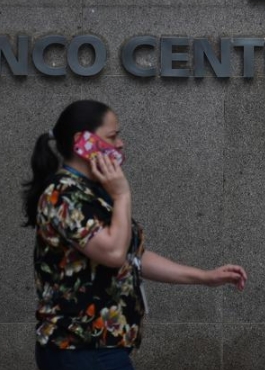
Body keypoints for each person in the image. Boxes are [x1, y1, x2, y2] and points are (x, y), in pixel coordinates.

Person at [23, 100, 247, 370]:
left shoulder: (89, 190)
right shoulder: (64, 194)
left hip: (98, 348)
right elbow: (114, 254)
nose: (120, 143)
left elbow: (132, 255)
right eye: (112, 136)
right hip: (79, 349)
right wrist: (122, 193)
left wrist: (204, 277)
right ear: (82, 142)